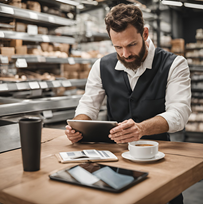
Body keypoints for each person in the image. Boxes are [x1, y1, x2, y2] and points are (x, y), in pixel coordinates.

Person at [65, 4, 191, 203]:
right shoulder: (101, 65)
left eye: (131, 44)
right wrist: (78, 126)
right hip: (115, 160)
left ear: (145, 33)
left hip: (158, 157)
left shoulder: (174, 64)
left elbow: (179, 113)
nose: (125, 54)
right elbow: (88, 106)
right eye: (118, 47)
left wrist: (141, 128)